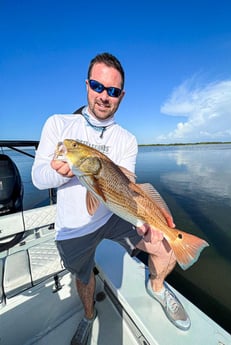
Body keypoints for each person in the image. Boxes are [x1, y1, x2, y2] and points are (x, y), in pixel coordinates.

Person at [32, 52, 190, 345]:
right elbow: (38, 178)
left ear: (122, 96)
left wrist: (146, 217)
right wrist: (64, 173)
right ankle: (89, 314)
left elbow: (127, 186)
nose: (104, 96)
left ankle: (157, 288)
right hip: (74, 227)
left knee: (167, 246)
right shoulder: (59, 125)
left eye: (113, 91)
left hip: (117, 214)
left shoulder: (127, 139)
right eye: (97, 86)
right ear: (87, 85)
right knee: (83, 277)